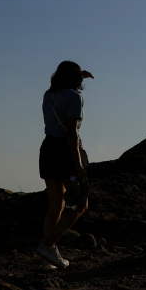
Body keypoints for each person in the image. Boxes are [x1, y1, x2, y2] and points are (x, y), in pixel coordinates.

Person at [36, 61, 94, 270]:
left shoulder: (48, 94)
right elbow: (72, 132)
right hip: (65, 152)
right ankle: (48, 245)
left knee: (56, 207)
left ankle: (47, 261)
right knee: (79, 204)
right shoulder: (75, 97)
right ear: (75, 79)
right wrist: (78, 164)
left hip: (47, 149)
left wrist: (80, 76)